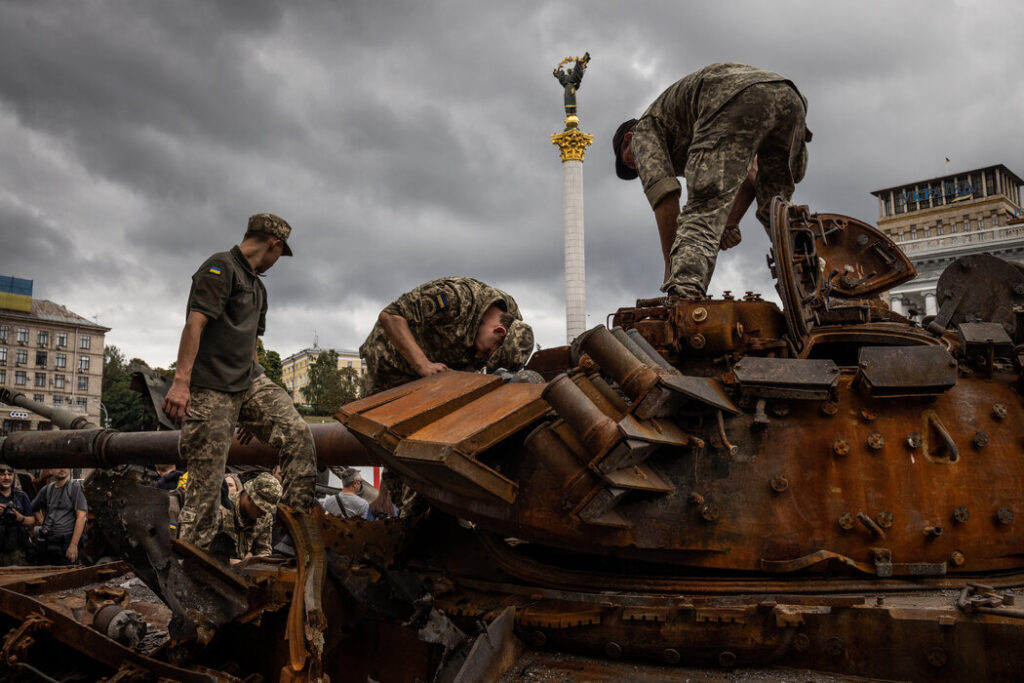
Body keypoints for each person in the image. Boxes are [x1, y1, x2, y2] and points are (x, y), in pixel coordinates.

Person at [162, 213, 317, 551]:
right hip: (211, 389)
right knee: (204, 490)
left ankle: (294, 539)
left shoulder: (259, 289)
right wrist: (181, 383)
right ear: (273, 245)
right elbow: (195, 324)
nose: (277, 261)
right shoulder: (220, 268)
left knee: (298, 435)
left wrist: (254, 409)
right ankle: (190, 567)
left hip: (248, 383)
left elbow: (252, 347)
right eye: (280, 254)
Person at [613, 63, 812, 298]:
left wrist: (671, 270)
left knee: (702, 209)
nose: (637, 167)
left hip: (732, 95)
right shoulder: (693, 133)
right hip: (789, 97)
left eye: (629, 161)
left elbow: (664, 197)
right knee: (777, 210)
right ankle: (813, 288)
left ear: (629, 139)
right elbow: (751, 178)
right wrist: (730, 223)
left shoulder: (643, 131)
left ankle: (684, 294)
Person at [359, 277, 535, 395]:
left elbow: (474, 367)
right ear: (498, 331)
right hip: (390, 360)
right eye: (487, 352)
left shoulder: (513, 323)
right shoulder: (455, 298)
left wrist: (460, 377)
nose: (480, 357)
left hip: (437, 374)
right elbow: (390, 316)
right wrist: (423, 365)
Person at [217, 472, 281, 564]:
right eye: (261, 507)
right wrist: (227, 561)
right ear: (249, 497)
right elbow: (202, 547)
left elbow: (263, 550)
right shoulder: (221, 509)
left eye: (267, 509)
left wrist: (256, 562)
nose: (264, 513)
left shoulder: (265, 517)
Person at [31, 467, 88, 565]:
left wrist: (73, 545)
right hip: (49, 543)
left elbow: (82, 517)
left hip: (66, 545)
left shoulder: (74, 488)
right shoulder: (47, 490)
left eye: (65, 466)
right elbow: (34, 508)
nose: (62, 469)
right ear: (51, 470)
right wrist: (42, 521)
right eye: (58, 466)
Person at [0, 464, 34, 566]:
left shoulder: (21, 496)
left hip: (17, 551)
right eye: (2, 474)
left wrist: (20, 518)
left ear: (13, 476)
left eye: (9, 474)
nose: (6, 477)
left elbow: (32, 521)